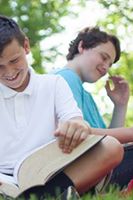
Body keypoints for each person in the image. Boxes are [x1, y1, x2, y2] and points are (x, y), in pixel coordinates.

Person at [0, 15, 124, 199]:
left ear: (26, 46)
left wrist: (77, 126)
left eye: (14, 61)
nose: (9, 72)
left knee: (111, 147)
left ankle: (43, 195)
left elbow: (74, 119)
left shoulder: (54, 84)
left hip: (50, 170)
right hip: (3, 178)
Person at [54, 27, 133, 188]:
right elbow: (72, 132)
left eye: (109, 64)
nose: (105, 67)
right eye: (103, 57)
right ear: (82, 47)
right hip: (82, 170)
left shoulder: (85, 95)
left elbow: (110, 143)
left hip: (101, 166)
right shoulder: (62, 79)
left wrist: (120, 105)